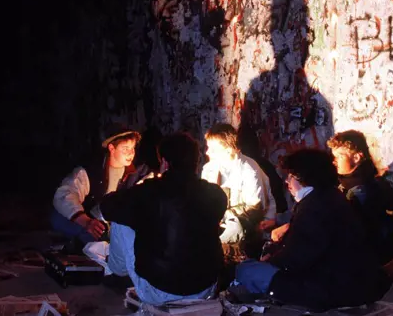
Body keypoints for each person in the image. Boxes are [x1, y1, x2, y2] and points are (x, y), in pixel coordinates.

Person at [235, 149, 392, 312]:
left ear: (304, 177)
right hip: (346, 280)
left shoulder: (313, 207)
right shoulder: (328, 196)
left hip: (330, 288)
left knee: (246, 269)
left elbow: (297, 258)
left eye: (290, 176)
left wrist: (270, 262)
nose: (287, 183)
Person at [99, 132, 228, 305]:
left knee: (121, 219)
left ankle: (117, 272)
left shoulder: (149, 191)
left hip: (160, 291)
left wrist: (128, 191)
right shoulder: (216, 194)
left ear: (165, 162)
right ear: (196, 164)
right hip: (206, 289)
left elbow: (107, 207)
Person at [50, 125, 141, 246]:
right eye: (125, 149)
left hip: (115, 225)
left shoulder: (135, 174)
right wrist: (86, 221)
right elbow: (64, 195)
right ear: (112, 148)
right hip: (90, 220)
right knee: (59, 217)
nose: (130, 154)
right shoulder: (91, 171)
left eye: (133, 149)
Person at [327, 130, 393, 274]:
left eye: (339, 156)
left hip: (363, 259)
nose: (334, 161)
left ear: (356, 157)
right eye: (334, 156)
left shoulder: (366, 188)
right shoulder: (340, 182)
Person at [201, 123, 276, 244]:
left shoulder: (250, 170)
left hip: (250, 228)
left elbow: (254, 209)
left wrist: (222, 215)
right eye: (208, 147)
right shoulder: (208, 169)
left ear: (229, 150)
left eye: (213, 149)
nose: (208, 152)